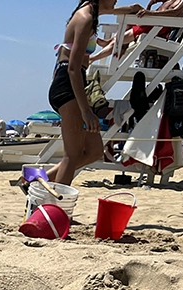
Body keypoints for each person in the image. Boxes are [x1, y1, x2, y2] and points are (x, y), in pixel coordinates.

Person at [48, 0, 144, 185]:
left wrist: (133, 9)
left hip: (73, 83)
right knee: (72, 155)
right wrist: (86, 111)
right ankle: (56, 207)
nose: (116, 0)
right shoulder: (85, 18)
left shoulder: (91, 10)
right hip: (68, 84)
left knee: (94, 151)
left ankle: (36, 180)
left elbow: (110, 9)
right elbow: (73, 68)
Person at [90, 0, 183, 61]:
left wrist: (151, 13)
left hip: (160, 25)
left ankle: (93, 58)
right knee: (136, 7)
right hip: (155, 21)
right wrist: (152, 4)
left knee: (122, 39)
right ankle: (104, 11)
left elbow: (175, 13)